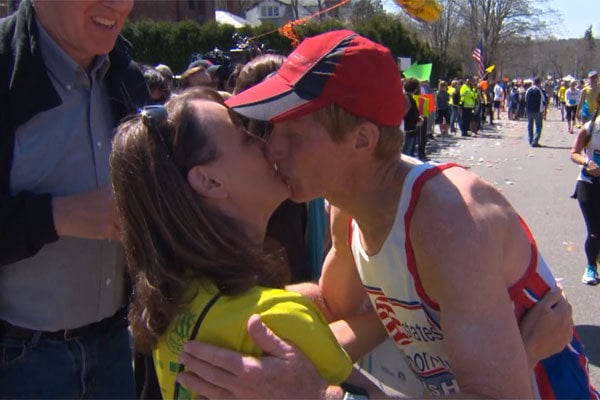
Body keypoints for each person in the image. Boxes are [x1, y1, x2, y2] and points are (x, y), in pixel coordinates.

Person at [176, 30, 596, 399]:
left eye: (294, 133)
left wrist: (322, 396)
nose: (272, 149)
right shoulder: (347, 206)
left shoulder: (448, 223)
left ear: (362, 140)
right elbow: (334, 304)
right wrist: (217, 317)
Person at [109, 87, 353, 400]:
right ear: (209, 182)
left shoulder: (173, 304)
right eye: (249, 139)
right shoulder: (276, 320)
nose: (271, 146)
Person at [0, 0, 149, 398]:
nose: (117, 5)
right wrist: (58, 215)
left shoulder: (125, 75)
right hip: (19, 363)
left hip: (115, 350)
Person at [570, 90, 600, 285]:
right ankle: (591, 267)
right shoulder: (590, 128)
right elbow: (574, 153)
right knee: (595, 230)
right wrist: (586, 162)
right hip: (589, 184)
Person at [525, 77, 547, 147]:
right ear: (539, 83)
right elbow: (544, 100)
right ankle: (535, 141)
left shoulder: (528, 90)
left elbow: (526, 100)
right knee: (538, 126)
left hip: (529, 110)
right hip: (538, 110)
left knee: (530, 125)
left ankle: (530, 140)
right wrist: (544, 110)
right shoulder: (540, 90)